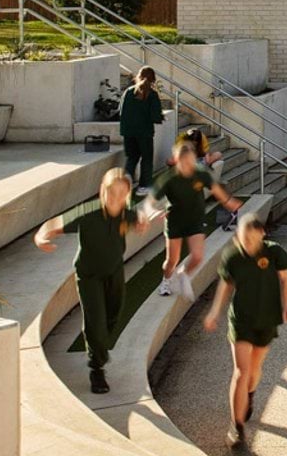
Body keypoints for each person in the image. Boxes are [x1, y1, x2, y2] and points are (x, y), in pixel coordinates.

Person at [32, 167, 160, 394]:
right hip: (89, 275)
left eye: (122, 194)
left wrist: (142, 222)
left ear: (128, 195)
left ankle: (98, 348)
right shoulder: (88, 213)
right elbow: (52, 225)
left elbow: (139, 220)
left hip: (114, 272)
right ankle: (97, 367)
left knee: (113, 316)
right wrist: (41, 237)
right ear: (103, 191)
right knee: (96, 322)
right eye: (111, 193)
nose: (116, 199)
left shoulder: (126, 214)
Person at [202, 216, 287, 448]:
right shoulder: (232, 257)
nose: (248, 246)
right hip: (241, 320)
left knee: (254, 369)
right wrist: (214, 312)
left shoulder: (275, 253)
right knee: (241, 372)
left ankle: (249, 395)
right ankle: (237, 427)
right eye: (243, 241)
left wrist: (286, 305)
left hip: (267, 318)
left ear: (262, 234)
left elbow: (285, 279)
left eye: (252, 240)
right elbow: (225, 285)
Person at [153, 140, 242, 298]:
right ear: (177, 161)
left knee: (198, 256)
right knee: (172, 260)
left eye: (190, 161)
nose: (188, 166)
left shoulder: (200, 173)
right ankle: (166, 280)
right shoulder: (169, 178)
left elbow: (215, 188)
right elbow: (151, 200)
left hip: (195, 219)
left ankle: (184, 274)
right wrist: (152, 211)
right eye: (184, 162)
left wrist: (228, 202)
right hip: (175, 220)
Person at [119, 66, 164, 195]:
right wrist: (161, 117)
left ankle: (125, 185)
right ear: (153, 80)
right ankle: (144, 186)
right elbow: (155, 116)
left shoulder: (128, 92)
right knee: (146, 158)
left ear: (138, 77)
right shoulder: (152, 95)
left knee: (131, 158)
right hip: (144, 133)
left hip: (128, 132)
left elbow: (121, 112)